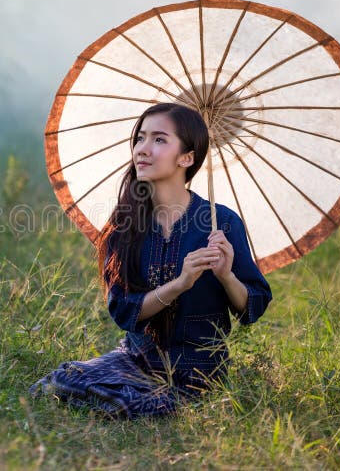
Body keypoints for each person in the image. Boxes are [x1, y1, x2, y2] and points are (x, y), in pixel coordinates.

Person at [30, 102, 272, 418]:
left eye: (159, 140)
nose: (143, 149)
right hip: (137, 358)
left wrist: (227, 276)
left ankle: (140, 401)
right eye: (140, 138)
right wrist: (181, 284)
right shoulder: (125, 224)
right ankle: (127, 396)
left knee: (130, 404)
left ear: (187, 158)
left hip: (198, 368)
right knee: (60, 381)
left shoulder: (221, 223)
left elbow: (252, 308)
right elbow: (124, 310)